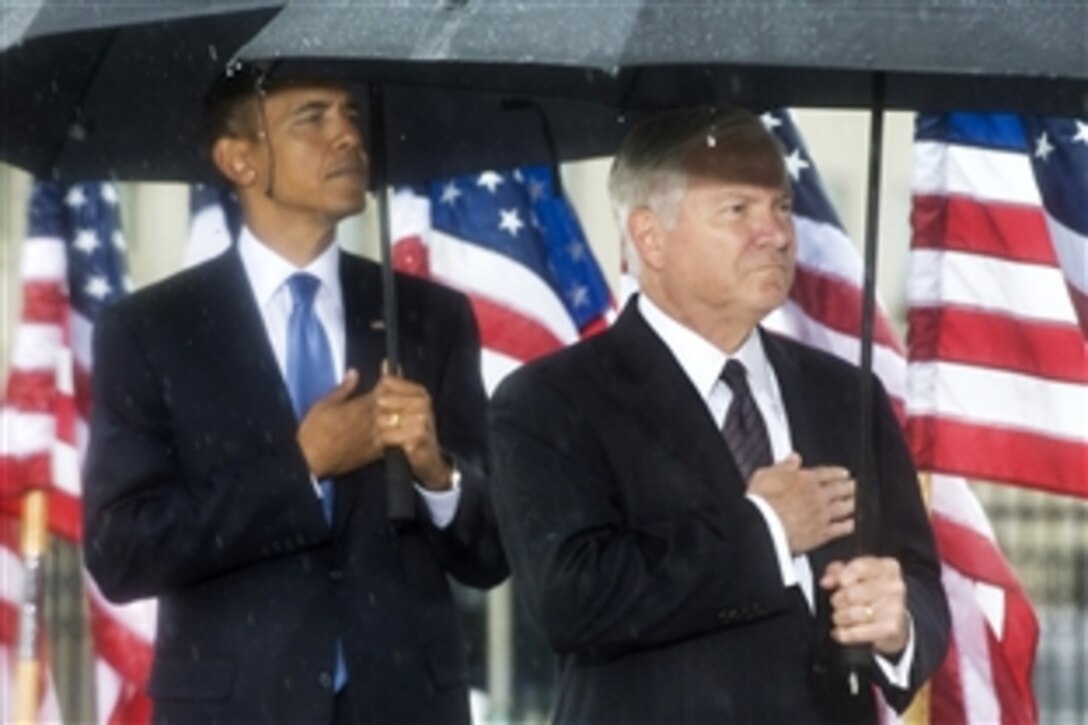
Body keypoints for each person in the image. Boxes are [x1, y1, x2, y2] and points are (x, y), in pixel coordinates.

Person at [489, 107, 950, 723]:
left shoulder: (846, 393)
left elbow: (918, 579)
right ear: (650, 237)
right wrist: (764, 529)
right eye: (738, 210)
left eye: (782, 208)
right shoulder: (550, 399)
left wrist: (897, 626)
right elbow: (572, 598)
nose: (777, 234)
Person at [82, 63, 507, 724]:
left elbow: (492, 554)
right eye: (313, 118)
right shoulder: (150, 331)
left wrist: (437, 472)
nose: (347, 137)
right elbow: (122, 551)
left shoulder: (430, 318)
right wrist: (300, 467)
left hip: (406, 706)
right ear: (239, 160)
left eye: (353, 115)